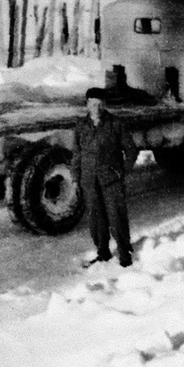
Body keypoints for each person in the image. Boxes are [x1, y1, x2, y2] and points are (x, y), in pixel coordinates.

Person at [72, 87, 138, 268]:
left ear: (105, 105)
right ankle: (103, 253)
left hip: (111, 179)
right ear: (87, 104)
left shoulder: (115, 124)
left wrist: (121, 171)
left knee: (116, 218)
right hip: (89, 180)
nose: (96, 108)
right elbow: (77, 153)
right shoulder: (81, 125)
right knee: (96, 219)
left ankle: (125, 255)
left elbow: (131, 150)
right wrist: (75, 177)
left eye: (100, 104)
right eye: (92, 104)